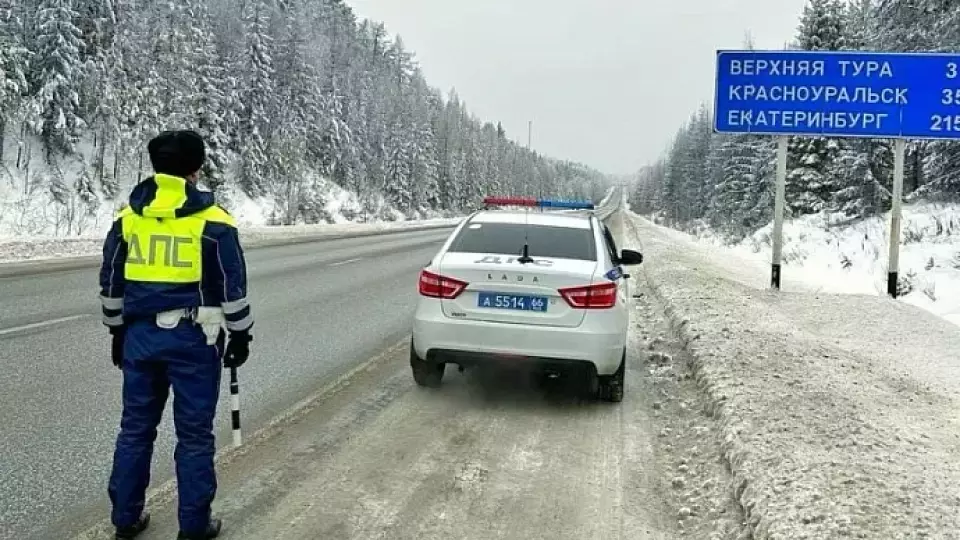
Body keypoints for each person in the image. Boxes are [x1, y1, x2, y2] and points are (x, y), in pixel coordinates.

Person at [99, 130, 254, 540]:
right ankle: (194, 526)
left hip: (139, 339)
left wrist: (116, 331)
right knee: (194, 437)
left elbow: (112, 283)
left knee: (135, 430)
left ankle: (125, 520)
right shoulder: (214, 221)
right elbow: (231, 286)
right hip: (195, 341)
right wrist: (240, 336)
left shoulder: (128, 219)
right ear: (196, 168)